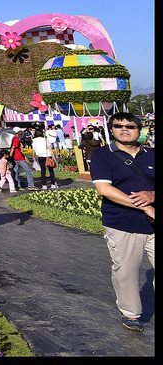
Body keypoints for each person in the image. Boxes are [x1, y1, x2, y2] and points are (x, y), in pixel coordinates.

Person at [89, 112, 155, 332]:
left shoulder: (152, 154)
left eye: (130, 126)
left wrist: (152, 196)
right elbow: (104, 189)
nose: (124, 129)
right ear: (112, 129)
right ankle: (131, 313)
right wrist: (143, 205)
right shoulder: (102, 156)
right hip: (122, 223)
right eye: (118, 126)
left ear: (140, 130)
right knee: (126, 270)